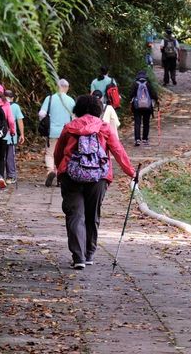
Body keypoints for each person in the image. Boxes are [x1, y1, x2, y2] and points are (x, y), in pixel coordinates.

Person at [54, 94, 135, 269]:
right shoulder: (104, 128)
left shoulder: (69, 128)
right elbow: (118, 151)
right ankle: (89, 253)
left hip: (72, 175)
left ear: (78, 109)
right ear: (98, 110)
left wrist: (60, 171)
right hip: (98, 177)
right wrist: (132, 173)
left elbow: (58, 152)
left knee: (75, 215)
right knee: (93, 215)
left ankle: (78, 257)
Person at [39, 79, 75, 187]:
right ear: (67, 88)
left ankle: (50, 171)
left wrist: (45, 121)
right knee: (64, 154)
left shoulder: (49, 99)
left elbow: (41, 113)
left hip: (52, 131)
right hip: (66, 132)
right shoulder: (71, 100)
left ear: (57, 87)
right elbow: (74, 117)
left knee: (50, 153)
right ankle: (61, 176)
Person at [130, 70, 158, 146]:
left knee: (137, 123)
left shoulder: (135, 84)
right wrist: (156, 100)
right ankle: (145, 139)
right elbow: (154, 94)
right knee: (146, 123)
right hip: (147, 106)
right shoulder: (148, 83)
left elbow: (131, 94)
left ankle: (137, 139)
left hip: (137, 107)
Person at [3, 90, 25, 184]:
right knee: (10, 157)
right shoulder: (15, 106)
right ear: (12, 98)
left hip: (0, 136)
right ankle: (11, 176)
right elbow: (19, 121)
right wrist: (22, 134)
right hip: (11, 136)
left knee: (1, 157)